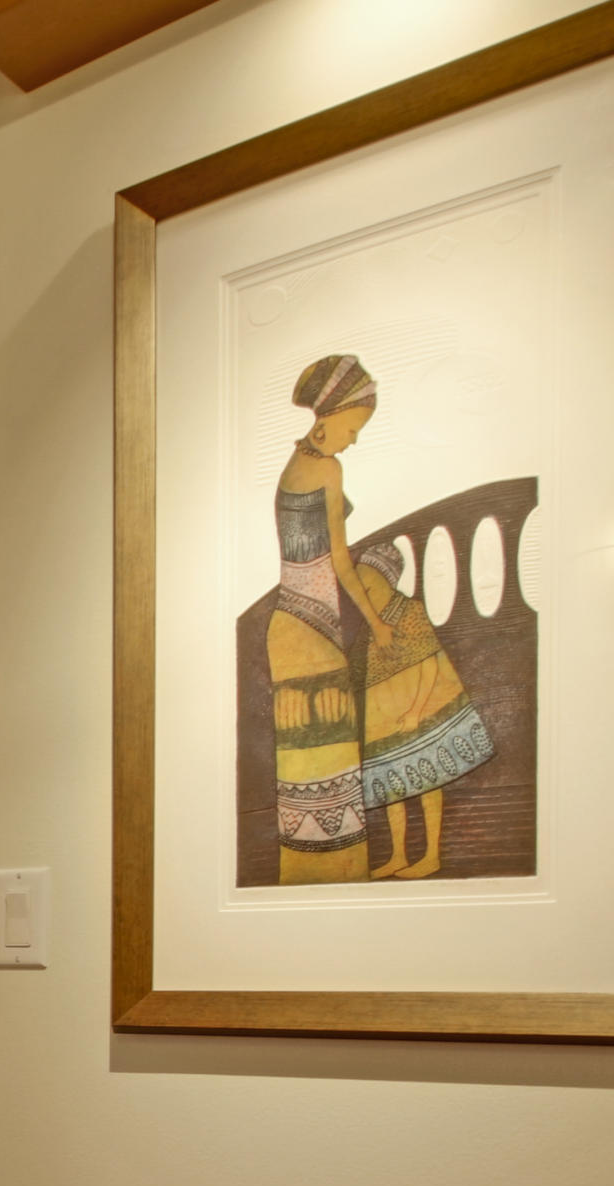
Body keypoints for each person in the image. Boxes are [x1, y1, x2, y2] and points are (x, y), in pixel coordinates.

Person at [266, 354, 391, 884]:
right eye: (354, 427)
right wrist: (379, 624)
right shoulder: (327, 469)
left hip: (285, 627)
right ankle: (339, 878)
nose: (354, 440)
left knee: (302, 768)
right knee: (332, 762)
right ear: (331, 415)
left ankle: (302, 880)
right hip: (314, 631)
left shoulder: (293, 467)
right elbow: (339, 563)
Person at [350, 539, 494, 878]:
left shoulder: (409, 611)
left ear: (388, 581)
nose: (364, 597)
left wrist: (416, 711)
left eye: (368, 587)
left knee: (429, 781)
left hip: (418, 715)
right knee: (392, 789)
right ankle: (398, 853)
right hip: (385, 722)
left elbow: (430, 665)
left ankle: (431, 854)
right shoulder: (372, 627)